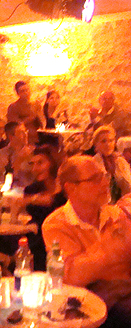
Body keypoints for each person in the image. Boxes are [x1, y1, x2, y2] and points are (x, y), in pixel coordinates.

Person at [42, 155, 131, 327]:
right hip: (97, 299)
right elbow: (70, 276)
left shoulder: (114, 214)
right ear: (71, 188)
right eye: (95, 179)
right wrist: (111, 247)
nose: (105, 184)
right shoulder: (57, 224)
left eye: (104, 176)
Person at [22, 145, 67, 270]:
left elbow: (57, 203)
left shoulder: (65, 187)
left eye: (40, 163)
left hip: (63, 234)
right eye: (33, 164)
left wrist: (32, 199)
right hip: (38, 236)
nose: (35, 168)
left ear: (52, 163)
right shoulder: (31, 189)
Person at [92, 126, 131, 202]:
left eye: (111, 141)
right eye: (103, 141)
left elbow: (129, 186)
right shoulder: (93, 163)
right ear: (96, 144)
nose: (108, 144)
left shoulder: (120, 161)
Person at [0, 121, 34, 187]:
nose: (26, 135)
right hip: (10, 193)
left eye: (26, 131)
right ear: (11, 137)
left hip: (31, 191)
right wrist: (19, 161)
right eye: (21, 133)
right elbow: (2, 181)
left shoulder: (35, 152)